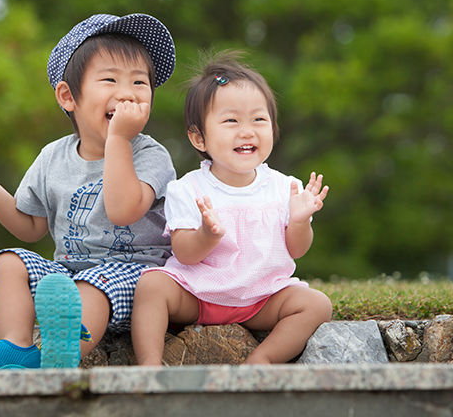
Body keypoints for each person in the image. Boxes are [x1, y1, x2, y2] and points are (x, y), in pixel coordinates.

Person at [0, 13, 177, 370]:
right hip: (65, 278)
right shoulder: (53, 156)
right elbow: (31, 227)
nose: (127, 92)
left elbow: (123, 210)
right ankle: (15, 347)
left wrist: (119, 141)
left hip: (136, 279)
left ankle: (52, 358)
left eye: (140, 82)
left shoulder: (149, 154)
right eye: (110, 79)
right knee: (10, 262)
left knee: (91, 285)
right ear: (68, 96)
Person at [130, 50, 332, 366]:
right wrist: (207, 236)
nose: (247, 130)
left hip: (262, 298)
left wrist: (300, 222)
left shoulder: (284, 187)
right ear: (199, 137)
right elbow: (183, 253)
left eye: (258, 119)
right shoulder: (188, 188)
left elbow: (296, 250)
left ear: (273, 128)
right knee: (151, 285)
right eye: (231, 120)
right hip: (197, 296)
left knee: (317, 304)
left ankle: (262, 360)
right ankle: (150, 365)